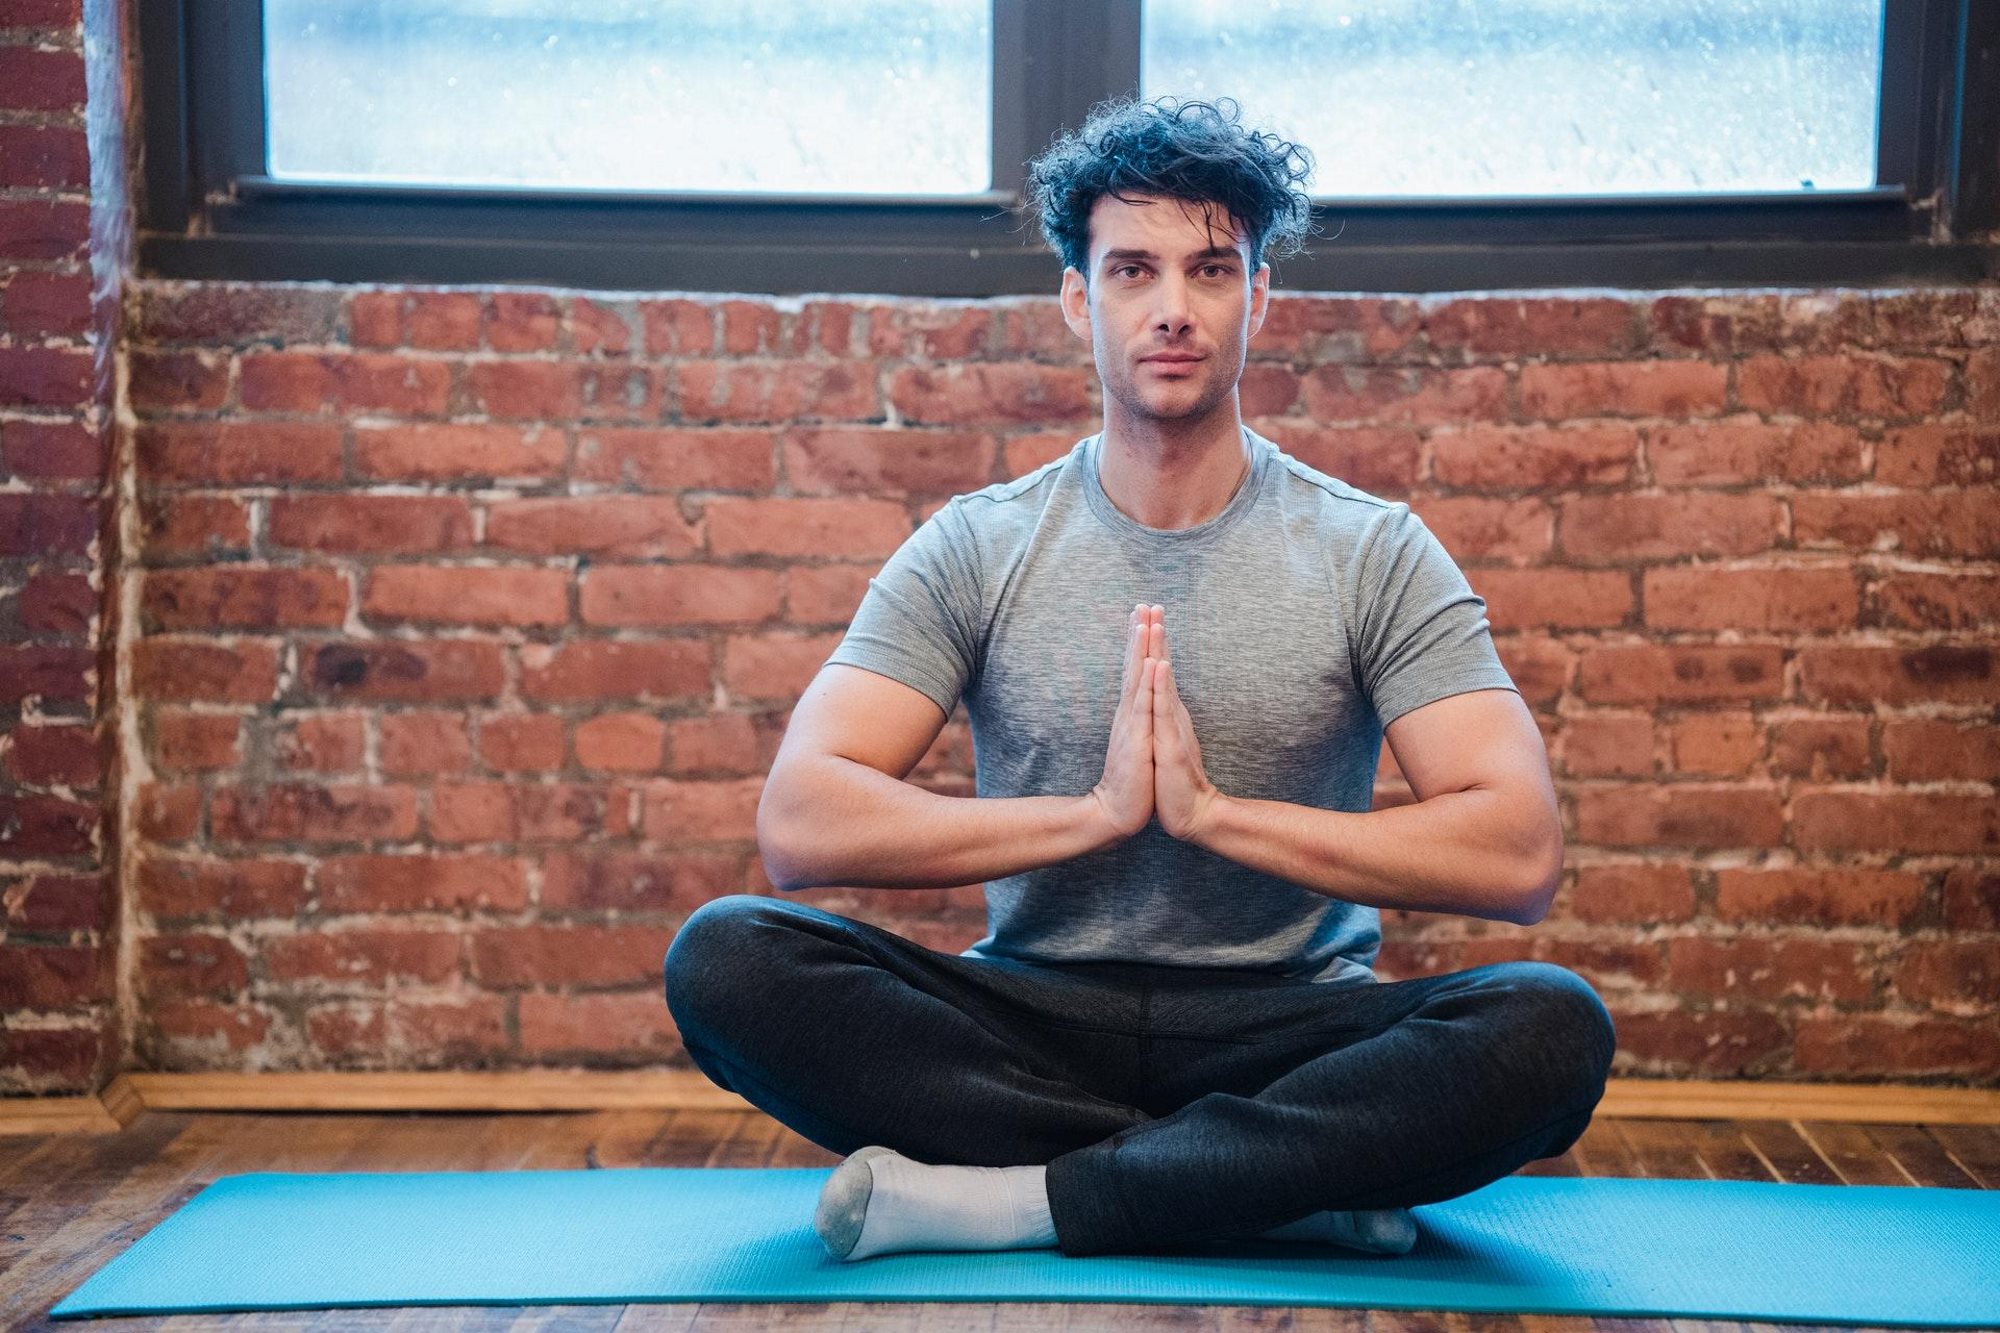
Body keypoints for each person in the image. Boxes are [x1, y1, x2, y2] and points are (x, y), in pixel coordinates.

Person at [663, 94, 1616, 1263]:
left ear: (1257, 296)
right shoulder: (978, 544)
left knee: (1546, 1029)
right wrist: (1094, 816)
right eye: (1131, 271)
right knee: (727, 958)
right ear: (1078, 299)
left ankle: (1027, 1199)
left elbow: (1516, 852)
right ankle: (1264, 1182)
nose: (1172, 309)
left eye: (1210, 270)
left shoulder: (1370, 549)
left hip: (1291, 1026)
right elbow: (801, 823)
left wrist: (1214, 817)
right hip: (1032, 1021)